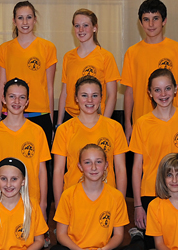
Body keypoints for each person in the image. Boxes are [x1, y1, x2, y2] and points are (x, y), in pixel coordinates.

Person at [129, 68, 178, 250]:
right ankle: (139, 239)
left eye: (167, 88)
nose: (163, 94)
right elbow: (137, 167)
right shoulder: (142, 123)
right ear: (150, 93)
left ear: (176, 89)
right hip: (152, 194)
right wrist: (138, 205)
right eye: (157, 90)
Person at [48, 144, 142, 250]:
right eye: (87, 162)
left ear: (106, 165)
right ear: (80, 166)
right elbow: (61, 235)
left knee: (138, 249)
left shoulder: (116, 196)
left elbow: (118, 236)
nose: (93, 167)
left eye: (98, 162)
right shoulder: (68, 195)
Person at [51, 76, 128, 208]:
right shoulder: (64, 129)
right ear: (76, 98)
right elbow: (58, 171)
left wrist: (121, 203)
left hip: (107, 200)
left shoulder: (114, 127)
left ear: (101, 97)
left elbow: (121, 169)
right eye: (84, 95)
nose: (90, 100)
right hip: (74, 200)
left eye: (95, 95)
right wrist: (59, 205)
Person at [121, 0, 178, 140]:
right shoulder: (132, 52)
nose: (151, 24)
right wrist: (128, 124)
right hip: (142, 123)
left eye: (155, 18)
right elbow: (129, 92)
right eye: (146, 19)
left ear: (164, 21)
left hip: (171, 122)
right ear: (140, 23)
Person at [0, 79, 51, 219]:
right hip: (1, 202)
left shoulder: (37, 131)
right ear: (3, 99)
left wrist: (43, 204)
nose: (17, 101)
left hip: (30, 202)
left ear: (27, 102)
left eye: (22, 97)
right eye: (12, 96)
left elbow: (42, 171)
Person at [0, 1, 58, 142]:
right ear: (14, 21)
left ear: (35, 20)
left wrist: (51, 121)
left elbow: (49, 87)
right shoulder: (4, 49)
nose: (25, 22)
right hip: (10, 114)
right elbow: (1, 85)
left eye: (29, 17)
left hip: (40, 115)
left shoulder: (47, 47)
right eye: (20, 18)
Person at [56, 9, 120, 125]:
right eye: (77, 26)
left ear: (94, 28)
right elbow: (64, 92)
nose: (81, 30)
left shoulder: (106, 57)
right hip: (70, 118)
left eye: (85, 25)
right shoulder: (68, 57)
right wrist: (59, 123)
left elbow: (112, 95)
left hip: (95, 118)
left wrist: (104, 123)